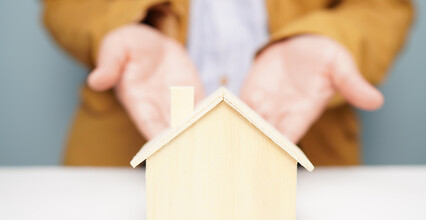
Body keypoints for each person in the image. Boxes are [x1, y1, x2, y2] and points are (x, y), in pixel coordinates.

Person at [43, 0, 413, 166]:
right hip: (124, 147)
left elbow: (383, 6)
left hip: (307, 141)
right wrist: (133, 23)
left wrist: (331, 37)